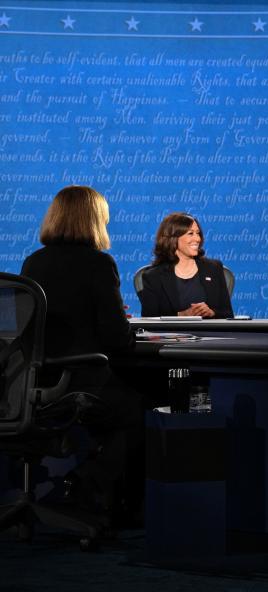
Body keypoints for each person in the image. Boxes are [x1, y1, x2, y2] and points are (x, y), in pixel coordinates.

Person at [20, 185, 141, 515]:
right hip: (82, 383)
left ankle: (80, 488)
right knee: (137, 412)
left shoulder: (33, 263)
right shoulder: (99, 264)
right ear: (94, 220)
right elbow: (117, 339)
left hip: (35, 386)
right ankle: (86, 486)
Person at [138, 212, 234, 318]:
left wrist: (212, 313)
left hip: (209, 334)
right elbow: (149, 319)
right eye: (190, 233)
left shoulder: (214, 268)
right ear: (173, 238)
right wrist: (181, 315)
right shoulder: (153, 276)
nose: (197, 239)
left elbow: (228, 314)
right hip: (173, 333)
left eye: (198, 233)